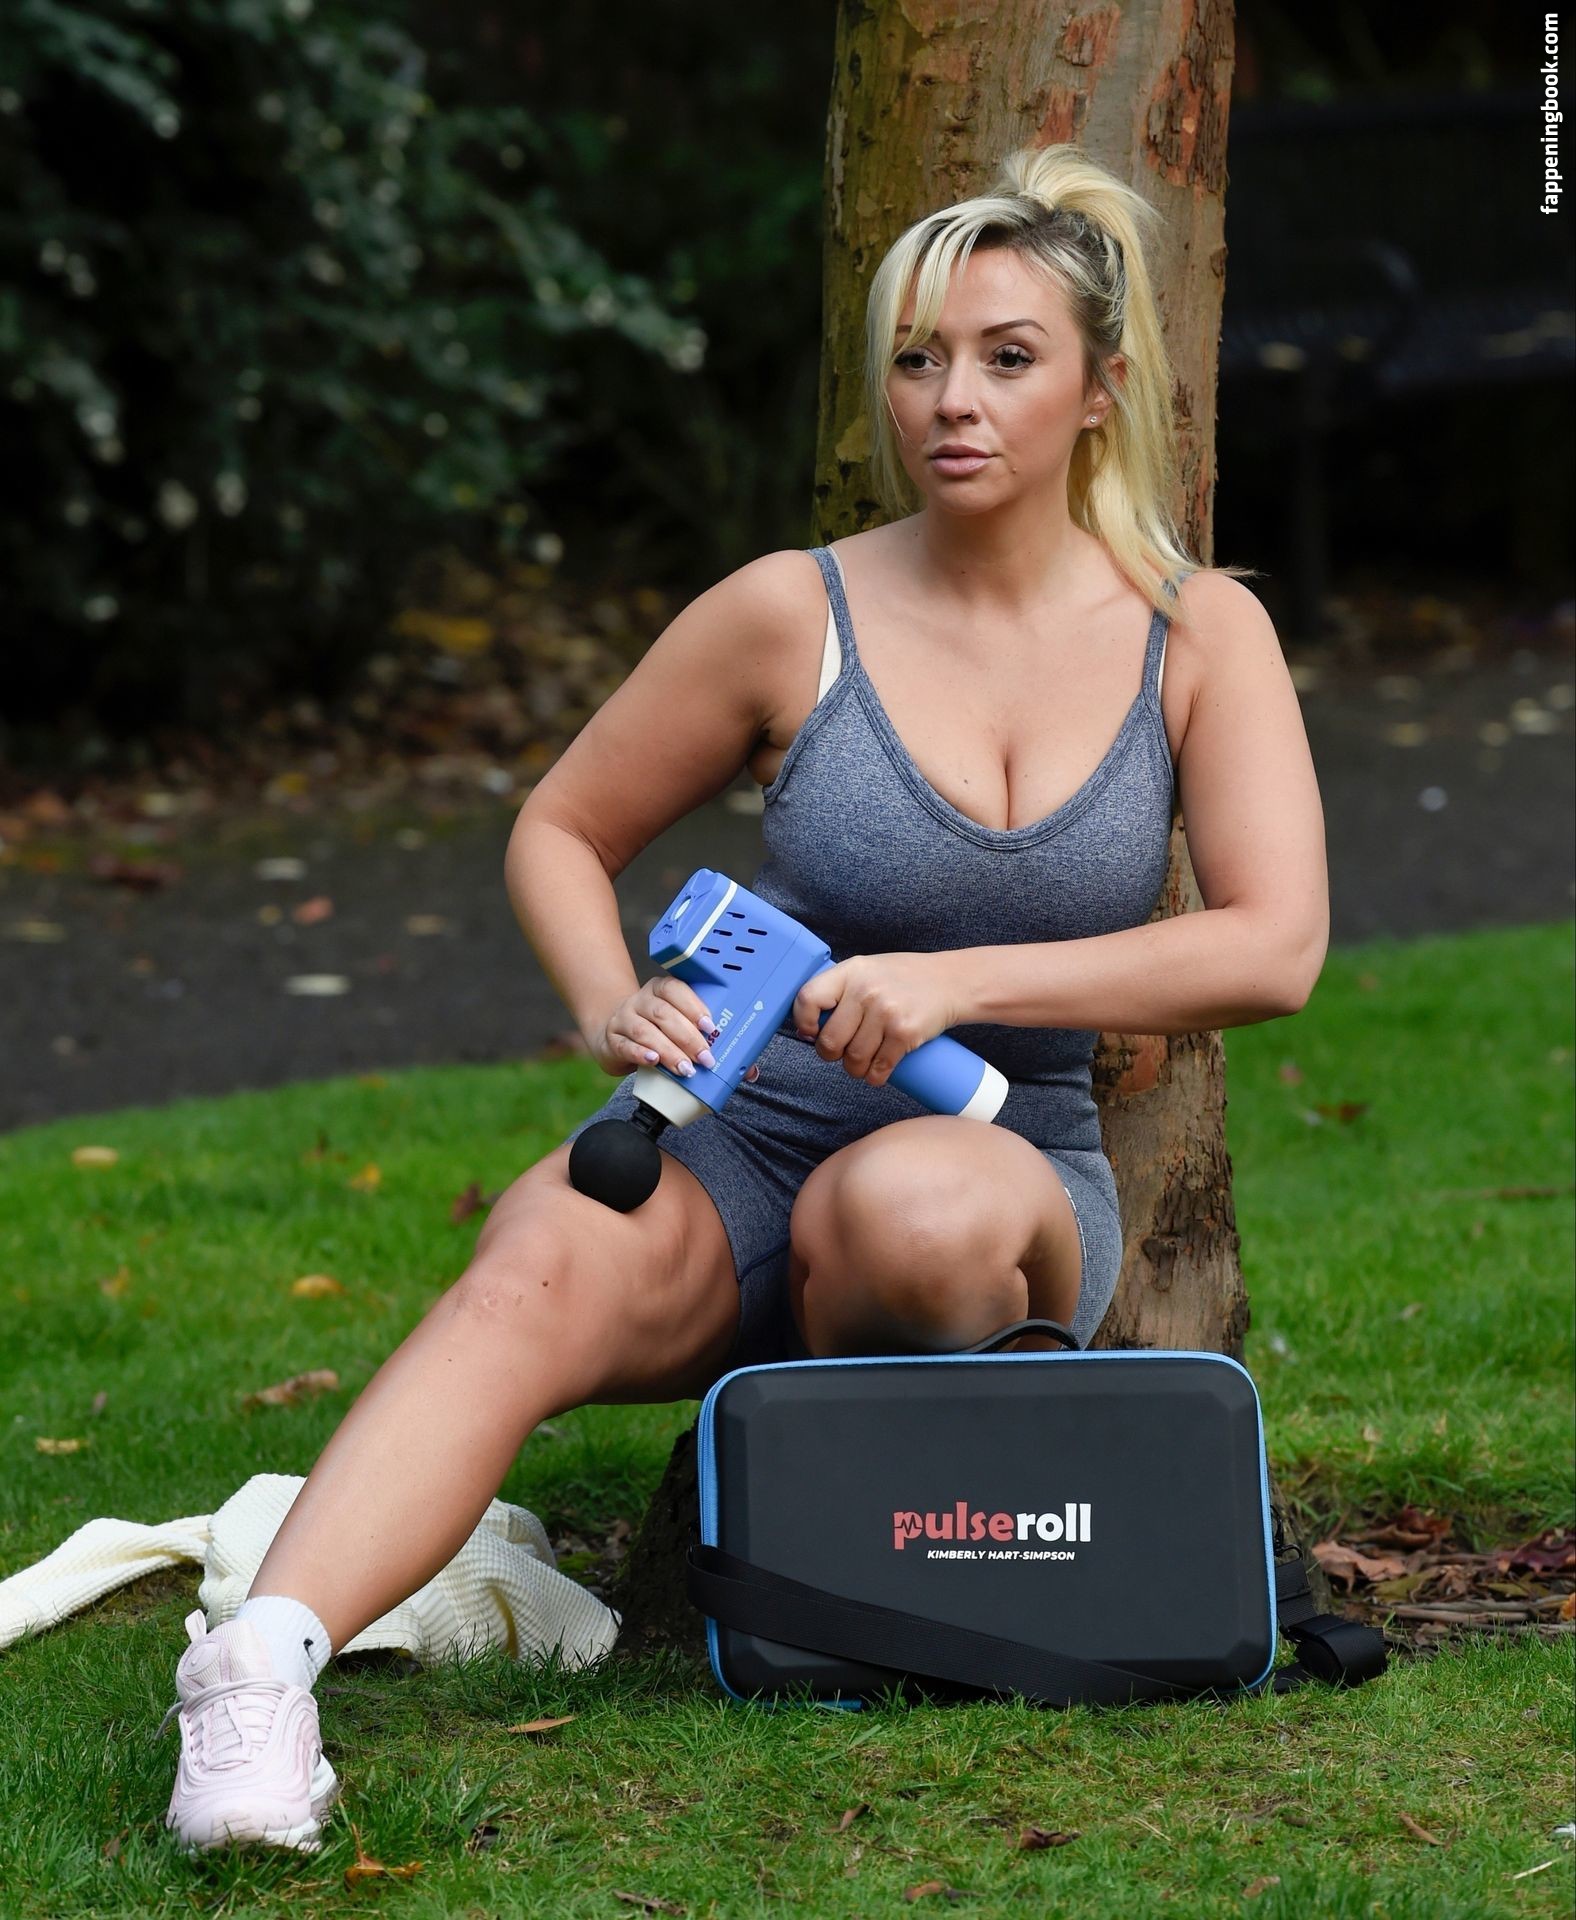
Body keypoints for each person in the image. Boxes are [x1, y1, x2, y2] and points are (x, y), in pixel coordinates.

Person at [162, 141, 1327, 1852]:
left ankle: (819, 1511)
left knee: (911, 1209)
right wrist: (608, 999)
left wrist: (955, 984)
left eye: (1007, 357)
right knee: (536, 1257)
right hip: (733, 1136)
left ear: (1100, 387)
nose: (954, 400)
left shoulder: (1198, 632)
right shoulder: (796, 611)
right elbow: (563, 827)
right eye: (919, 358)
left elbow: (1275, 945)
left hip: (993, 1165)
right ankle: (255, 1679)